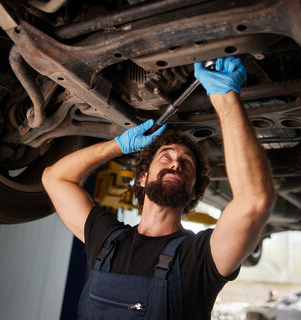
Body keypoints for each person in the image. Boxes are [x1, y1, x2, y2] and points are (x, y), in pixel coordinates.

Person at [42, 56, 275, 320]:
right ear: (141, 177)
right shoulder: (107, 240)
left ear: (193, 191)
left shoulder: (201, 258)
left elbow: (253, 201)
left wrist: (225, 97)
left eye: (186, 163)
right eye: (166, 156)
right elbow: (54, 179)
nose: (176, 163)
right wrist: (117, 145)